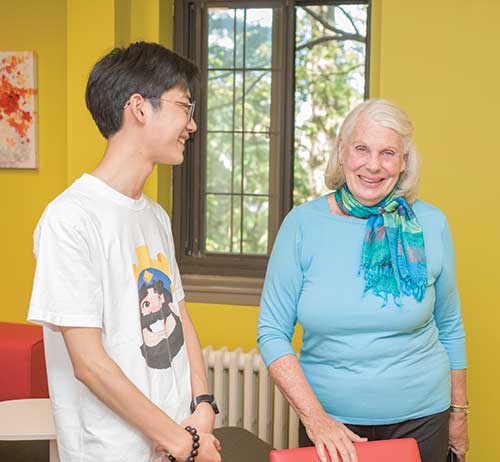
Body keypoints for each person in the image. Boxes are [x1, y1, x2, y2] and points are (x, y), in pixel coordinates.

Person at [27, 42, 222, 462]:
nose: (191, 124)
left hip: (176, 439)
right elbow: (89, 363)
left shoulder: (154, 216)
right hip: (112, 451)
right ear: (139, 107)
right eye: (184, 106)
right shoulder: (70, 218)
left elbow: (179, 316)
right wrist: (180, 441)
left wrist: (202, 405)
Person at [257, 99, 468, 462]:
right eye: (361, 149)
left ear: (404, 162)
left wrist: (459, 414)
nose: (373, 165)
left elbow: (449, 325)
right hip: (328, 423)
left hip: (423, 420)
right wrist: (315, 419)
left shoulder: (432, 224)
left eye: (388, 153)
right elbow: (271, 331)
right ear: (341, 151)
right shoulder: (302, 225)